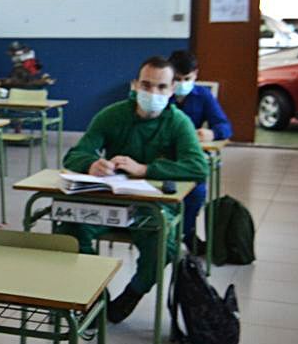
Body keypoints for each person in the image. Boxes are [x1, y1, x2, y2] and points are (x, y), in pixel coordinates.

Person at [56, 56, 207, 322]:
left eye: (161, 87)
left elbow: (197, 167)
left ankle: (131, 295)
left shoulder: (178, 122)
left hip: (151, 206)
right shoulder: (113, 115)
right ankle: (95, 293)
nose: (153, 93)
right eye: (146, 85)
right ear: (135, 85)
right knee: (69, 228)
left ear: (172, 89)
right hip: (109, 202)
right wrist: (91, 164)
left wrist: (146, 169)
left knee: (164, 245)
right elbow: (76, 154)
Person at [169, 49, 232, 250]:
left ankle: (186, 233)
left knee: (197, 191)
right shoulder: (161, 94)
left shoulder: (202, 95)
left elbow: (225, 126)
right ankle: (167, 231)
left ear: (195, 74)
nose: (181, 83)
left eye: (186, 78)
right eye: (177, 79)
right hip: (162, 156)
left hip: (189, 157)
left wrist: (212, 134)